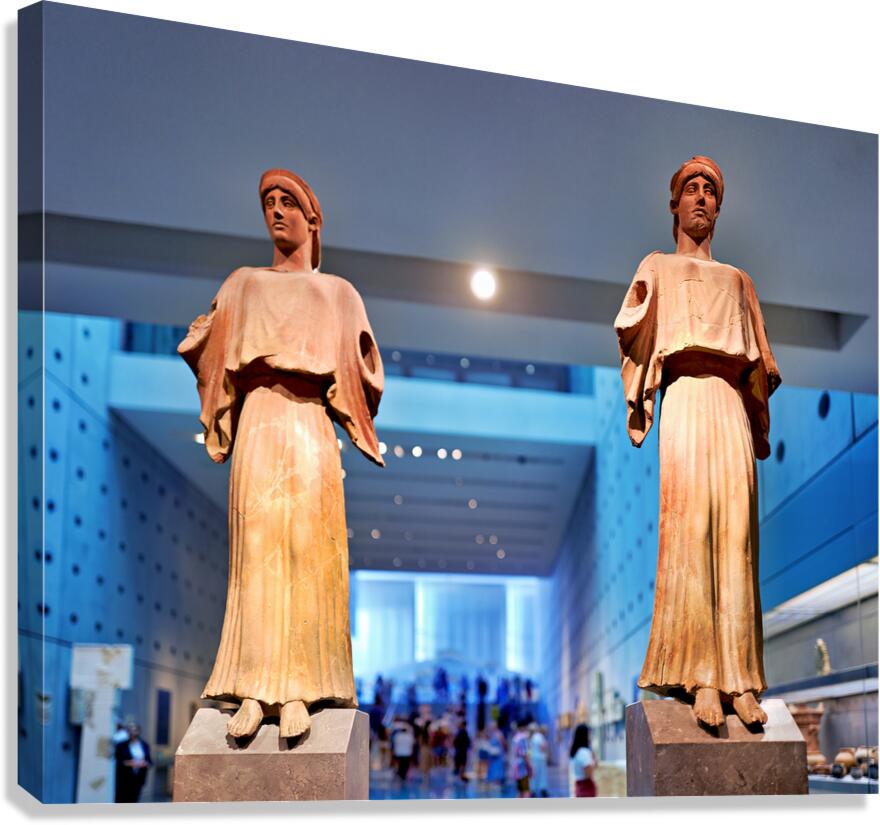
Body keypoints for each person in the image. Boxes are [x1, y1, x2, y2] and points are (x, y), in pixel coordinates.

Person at [179, 169, 384, 739]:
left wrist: (349, 367)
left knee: (306, 549)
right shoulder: (244, 284)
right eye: (268, 202)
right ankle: (254, 687)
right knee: (260, 549)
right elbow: (211, 350)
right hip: (261, 422)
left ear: (312, 219)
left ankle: (301, 686)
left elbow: (366, 371)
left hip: (311, 425)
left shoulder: (338, 293)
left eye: (287, 202)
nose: (276, 211)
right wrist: (203, 338)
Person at [614, 156, 779, 728]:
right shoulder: (657, 267)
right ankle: (700, 674)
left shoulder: (738, 281)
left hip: (728, 402)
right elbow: (633, 331)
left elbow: (760, 365)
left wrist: (754, 411)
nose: (702, 197)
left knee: (735, 534)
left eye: (711, 189)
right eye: (692, 188)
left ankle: (739, 678)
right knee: (692, 529)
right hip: (684, 397)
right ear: (675, 204)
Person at [114, 724, 152, 803]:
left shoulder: (144, 745)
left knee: (134, 799)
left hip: (139, 777)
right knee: (123, 799)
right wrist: (128, 763)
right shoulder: (121, 745)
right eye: (130, 730)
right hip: (124, 778)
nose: (133, 733)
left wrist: (144, 763)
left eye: (135, 730)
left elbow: (149, 761)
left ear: (138, 732)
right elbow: (116, 761)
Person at [568, 724, 595, 798]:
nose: (591, 736)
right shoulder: (584, 752)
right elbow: (588, 774)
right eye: (589, 734)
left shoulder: (578, 751)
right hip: (585, 788)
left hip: (580, 786)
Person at [510, 722, 531, 797]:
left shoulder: (515, 738)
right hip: (522, 767)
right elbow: (524, 753)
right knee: (526, 790)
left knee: (520, 791)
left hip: (516, 767)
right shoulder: (522, 738)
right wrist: (530, 766)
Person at [528, 722, 549, 797]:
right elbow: (543, 747)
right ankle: (543, 789)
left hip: (533, 758)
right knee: (542, 775)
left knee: (534, 775)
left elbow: (529, 749)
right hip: (540, 758)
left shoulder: (531, 737)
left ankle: (533, 790)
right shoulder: (539, 736)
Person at [452, 717, 471, 781]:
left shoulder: (461, 732)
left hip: (460, 751)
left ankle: (460, 777)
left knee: (460, 764)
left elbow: (456, 742)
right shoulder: (464, 732)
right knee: (461, 764)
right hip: (462, 751)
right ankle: (460, 777)